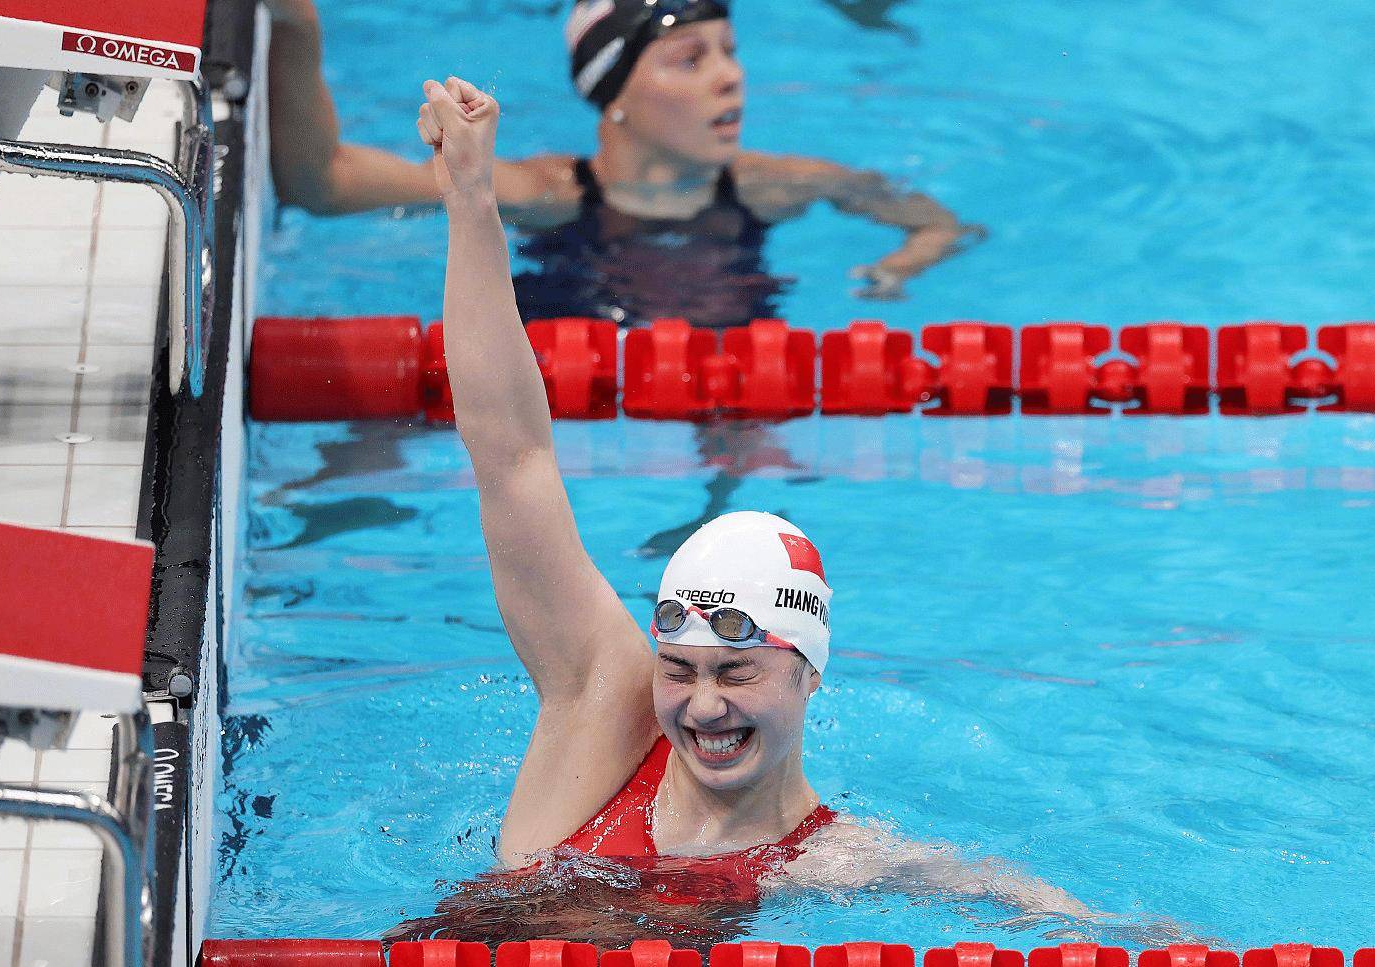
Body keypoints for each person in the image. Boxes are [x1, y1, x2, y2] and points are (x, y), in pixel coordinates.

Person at [409, 73, 1091, 938]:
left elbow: (1047, 909)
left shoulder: (836, 861)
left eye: (736, 672)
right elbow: (513, 458)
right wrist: (471, 201)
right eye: (680, 668)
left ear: (809, 672)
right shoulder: (605, 711)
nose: (700, 706)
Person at [265, 0, 978, 320]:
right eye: (690, 59)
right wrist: (299, 24)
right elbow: (320, 182)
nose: (729, 77)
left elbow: (941, 225)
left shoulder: (780, 183)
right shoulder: (548, 193)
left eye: (730, 53)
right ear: (615, 94)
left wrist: (897, 270)